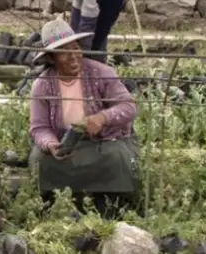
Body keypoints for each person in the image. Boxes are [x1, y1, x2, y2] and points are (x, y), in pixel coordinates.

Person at [29, 19, 139, 218]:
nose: (73, 57)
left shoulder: (101, 72)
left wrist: (102, 118)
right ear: (52, 59)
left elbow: (129, 107)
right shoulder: (42, 85)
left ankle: (110, 205)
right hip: (68, 146)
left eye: (76, 48)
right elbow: (39, 127)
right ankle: (57, 206)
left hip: (105, 144)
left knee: (117, 158)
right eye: (64, 52)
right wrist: (51, 144)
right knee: (38, 159)